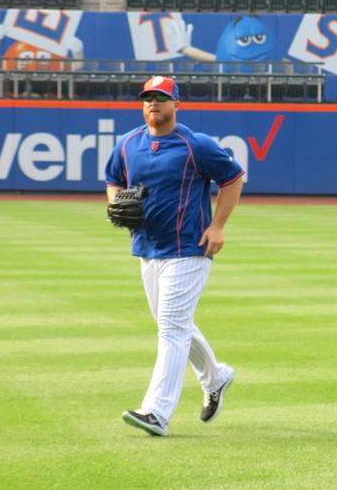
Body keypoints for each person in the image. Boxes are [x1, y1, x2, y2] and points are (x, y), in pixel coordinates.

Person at [105, 76, 245, 437]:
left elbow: (233, 178)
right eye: (148, 97)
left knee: (170, 327)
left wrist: (218, 226)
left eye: (161, 97)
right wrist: (114, 200)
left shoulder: (195, 144)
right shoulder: (128, 144)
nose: (154, 103)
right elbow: (113, 179)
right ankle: (216, 377)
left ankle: (156, 412)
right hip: (147, 247)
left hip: (189, 248)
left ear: (176, 104)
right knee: (175, 325)